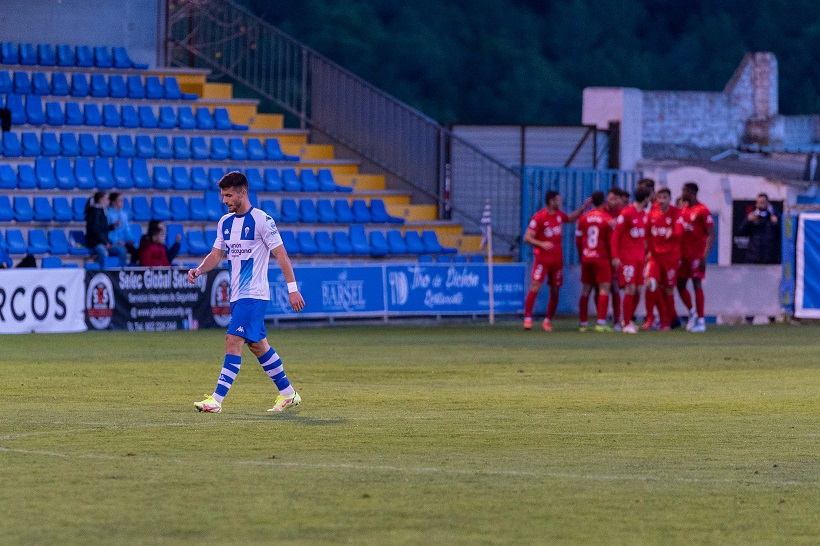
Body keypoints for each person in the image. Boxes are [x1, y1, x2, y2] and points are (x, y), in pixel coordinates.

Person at [188, 171, 305, 414]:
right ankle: (288, 394)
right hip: (238, 295)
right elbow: (217, 255)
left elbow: (281, 254)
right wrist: (199, 270)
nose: (225, 200)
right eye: (223, 195)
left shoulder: (262, 220)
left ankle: (216, 400)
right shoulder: (225, 223)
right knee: (258, 345)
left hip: (254, 294)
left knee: (233, 340)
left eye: (229, 195)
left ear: (243, 193)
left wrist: (292, 289)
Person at [522, 190, 590, 331]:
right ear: (551, 201)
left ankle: (548, 320)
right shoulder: (539, 217)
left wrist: (583, 208)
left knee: (555, 290)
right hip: (542, 260)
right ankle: (527, 319)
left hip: (557, 260)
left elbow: (571, 219)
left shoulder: (559, 215)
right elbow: (527, 238)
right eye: (558, 200)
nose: (560, 202)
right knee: (535, 286)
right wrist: (541, 244)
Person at [677, 182, 716, 333]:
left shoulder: (702, 210)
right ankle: (692, 312)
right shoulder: (684, 210)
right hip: (683, 254)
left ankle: (701, 320)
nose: (682, 193)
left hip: (696, 254)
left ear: (691, 192)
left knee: (696, 284)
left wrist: (704, 255)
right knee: (679, 285)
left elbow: (712, 234)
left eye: (684, 190)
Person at [611, 186, 650, 334]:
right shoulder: (626, 213)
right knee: (630, 288)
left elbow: (644, 238)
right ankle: (626, 323)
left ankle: (627, 319)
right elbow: (615, 236)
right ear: (645, 199)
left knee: (639, 290)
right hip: (627, 258)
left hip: (640, 258)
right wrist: (615, 256)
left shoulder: (644, 215)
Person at [575, 190, 614, 332]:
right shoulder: (607, 219)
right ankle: (601, 323)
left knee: (586, 290)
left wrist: (582, 255)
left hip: (587, 257)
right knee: (604, 289)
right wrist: (612, 258)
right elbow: (611, 242)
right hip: (601, 258)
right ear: (604, 202)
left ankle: (583, 323)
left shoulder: (584, 218)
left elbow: (578, 240)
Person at [645, 187, 683, 330]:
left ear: (669, 199)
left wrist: (672, 232)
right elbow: (647, 234)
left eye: (664, 198)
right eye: (659, 198)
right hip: (655, 257)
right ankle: (650, 319)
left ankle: (667, 322)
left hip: (670, 257)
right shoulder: (651, 214)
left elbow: (679, 231)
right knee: (651, 284)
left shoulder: (675, 213)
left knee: (668, 289)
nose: (661, 201)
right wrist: (647, 252)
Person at [604, 187, 627, 330]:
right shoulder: (602, 211)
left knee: (615, 287)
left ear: (620, 200)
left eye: (615, 199)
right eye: (610, 198)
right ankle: (601, 319)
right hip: (602, 255)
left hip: (617, 256)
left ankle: (618, 320)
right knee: (600, 288)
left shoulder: (623, 213)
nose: (612, 201)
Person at [85, 190, 127, 268]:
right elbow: (95, 231)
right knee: (104, 253)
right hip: (95, 242)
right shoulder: (94, 212)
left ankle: (121, 272)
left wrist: (112, 226)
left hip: (104, 241)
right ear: (101, 199)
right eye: (107, 199)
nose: (109, 201)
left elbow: (103, 228)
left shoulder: (102, 211)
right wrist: (105, 242)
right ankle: (95, 271)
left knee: (121, 251)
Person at [736, 193, 779, 264]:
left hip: (770, 258)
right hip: (754, 257)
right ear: (756, 204)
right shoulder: (751, 217)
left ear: (767, 203)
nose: (761, 204)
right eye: (759, 202)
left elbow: (781, 234)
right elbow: (739, 232)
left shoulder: (773, 217)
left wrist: (776, 223)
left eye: (763, 202)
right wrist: (747, 221)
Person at [106, 192, 137, 264]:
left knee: (136, 251)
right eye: (120, 200)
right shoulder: (107, 214)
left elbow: (127, 230)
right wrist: (116, 242)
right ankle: (122, 271)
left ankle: (132, 272)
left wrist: (129, 240)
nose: (122, 202)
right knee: (122, 251)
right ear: (113, 202)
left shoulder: (124, 214)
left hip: (123, 242)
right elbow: (106, 231)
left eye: (122, 200)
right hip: (112, 242)